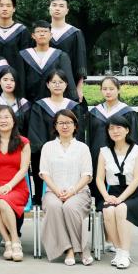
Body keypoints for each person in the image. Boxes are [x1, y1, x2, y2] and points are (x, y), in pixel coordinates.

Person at [96, 114, 138, 269]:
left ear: (127, 130)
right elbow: (99, 179)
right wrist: (106, 196)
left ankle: (125, 253)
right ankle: (119, 251)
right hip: (113, 192)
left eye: (119, 127)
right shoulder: (104, 151)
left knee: (121, 208)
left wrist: (120, 199)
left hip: (136, 193)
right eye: (111, 128)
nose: (115, 131)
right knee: (108, 210)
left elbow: (137, 179)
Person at [38, 108, 94, 265]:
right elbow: (45, 173)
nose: (65, 126)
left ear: (75, 126)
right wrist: (57, 191)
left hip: (79, 192)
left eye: (69, 122)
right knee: (54, 206)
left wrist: (72, 191)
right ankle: (69, 249)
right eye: (61, 123)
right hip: (53, 192)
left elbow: (87, 175)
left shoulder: (82, 148)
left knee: (70, 207)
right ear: (55, 126)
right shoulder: (48, 147)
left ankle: (81, 249)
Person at [27, 70, 83, 206]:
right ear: (47, 85)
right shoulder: (39, 106)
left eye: (61, 82)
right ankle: (40, 197)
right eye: (53, 82)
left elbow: (78, 130)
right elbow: (35, 130)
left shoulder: (73, 107)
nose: (57, 85)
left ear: (66, 85)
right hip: (44, 152)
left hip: (69, 150)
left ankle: (69, 194)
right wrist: (48, 149)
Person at [0, 106, 31, 262]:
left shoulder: (23, 142)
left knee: (3, 202)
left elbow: (24, 169)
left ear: (13, 120)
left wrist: (9, 186)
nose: (3, 121)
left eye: (7, 117)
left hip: (17, 186)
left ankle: (15, 240)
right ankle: (8, 241)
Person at [86, 77, 138, 170]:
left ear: (118, 90)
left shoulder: (127, 112)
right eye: (104, 89)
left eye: (111, 89)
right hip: (97, 157)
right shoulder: (94, 112)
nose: (108, 92)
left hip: (121, 158)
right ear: (101, 90)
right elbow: (89, 139)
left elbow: (133, 137)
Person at [20, 20, 77, 102]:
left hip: (55, 103)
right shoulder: (23, 55)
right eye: (38, 31)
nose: (42, 34)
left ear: (51, 35)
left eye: (45, 31)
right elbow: (20, 82)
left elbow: (68, 81)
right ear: (33, 36)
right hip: (29, 102)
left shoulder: (61, 56)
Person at [48, 0, 88, 101]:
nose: (57, 8)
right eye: (54, 5)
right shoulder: (42, 32)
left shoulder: (75, 33)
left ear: (67, 10)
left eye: (61, 6)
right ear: (49, 8)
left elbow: (80, 61)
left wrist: (79, 88)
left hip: (69, 83)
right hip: (45, 83)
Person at [0, 0, 31, 73]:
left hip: (16, 75)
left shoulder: (22, 31)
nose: (5, 9)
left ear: (14, 9)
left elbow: (27, 60)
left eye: (8, 6)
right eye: (1, 6)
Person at [0, 67, 30, 134]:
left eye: (12, 80)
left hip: (19, 140)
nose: (9, 83)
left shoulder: (24, 104)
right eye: (5, 80)